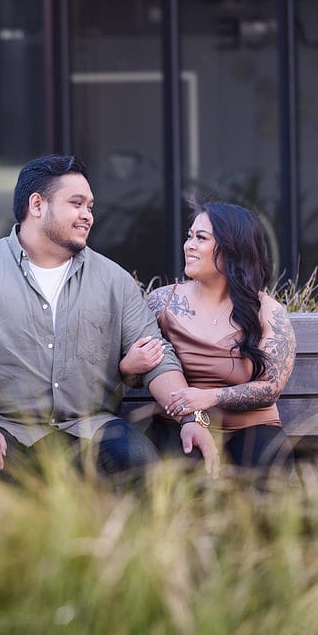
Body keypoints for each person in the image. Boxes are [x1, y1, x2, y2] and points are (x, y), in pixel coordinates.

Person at [0, 154, 218, 479]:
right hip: (3, 428)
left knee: (140, 461)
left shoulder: (113, 280)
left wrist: (190, 419)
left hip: (91, 428)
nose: (87, 215)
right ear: (37, 205)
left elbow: (159, 359)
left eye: (90, 207)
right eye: (76, 204)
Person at [120, 201, 297, 470]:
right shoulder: (162, 303)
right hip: (179, 424)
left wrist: (209, 397)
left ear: (232, 248)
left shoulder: (267, 312)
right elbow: (138, 375)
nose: (189, 245)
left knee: (267, 471)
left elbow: (271, 388)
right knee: (183, 474)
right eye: (189, 236)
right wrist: (128, 368)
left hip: (251, 426)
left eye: (201, 238)